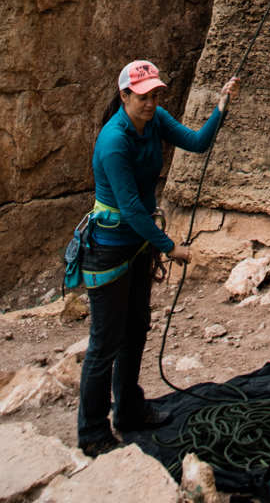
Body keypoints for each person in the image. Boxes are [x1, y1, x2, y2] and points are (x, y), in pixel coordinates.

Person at [73, 59, 237, 457]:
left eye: (156, 94)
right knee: (105, 341)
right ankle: (92, 432)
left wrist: (221, 107)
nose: (151, 102)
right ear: (125, 95)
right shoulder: (114, 141)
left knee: (136, 328)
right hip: (109, 247)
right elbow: (129, 206)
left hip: (137, 242)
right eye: (143, 96)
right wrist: (170, 247)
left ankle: (128, 411)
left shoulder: (156, 119)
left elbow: (197, 143)